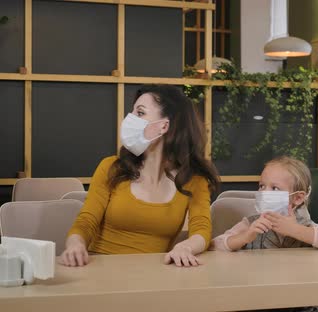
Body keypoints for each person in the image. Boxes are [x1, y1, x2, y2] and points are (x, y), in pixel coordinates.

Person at [59, 84, 220, 267]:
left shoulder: (194, 180)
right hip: (99, 269)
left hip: (154, 274)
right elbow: (86, 221)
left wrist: (185, 247)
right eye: (133, 112)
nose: (129, 120)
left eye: (140, 113)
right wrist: (76, 245)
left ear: (164, 126)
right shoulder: (111, 167)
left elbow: (201, 229)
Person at [212, 156, 318, 252]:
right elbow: (215, 245)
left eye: (275, 188)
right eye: (262, 186)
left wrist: (294, 229)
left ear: (298, 198)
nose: (264, 192)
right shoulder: (251, 223)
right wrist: (245, 236)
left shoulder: (305, 225)